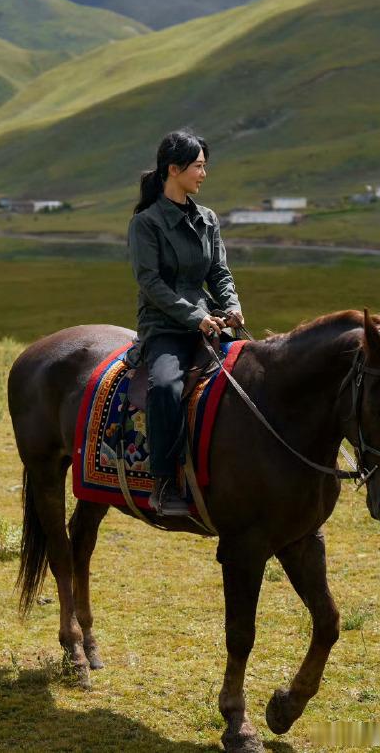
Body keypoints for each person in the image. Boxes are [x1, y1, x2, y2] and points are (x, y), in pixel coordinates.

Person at [127, 130, 244, 516]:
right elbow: (151, 284)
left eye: (204, 166)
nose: (203, 174)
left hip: (211, 322)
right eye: (197, 166)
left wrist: (232, 306)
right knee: (165, 386)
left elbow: (220, 272)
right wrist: (196, 318)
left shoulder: (208, 219)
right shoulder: (146, 223)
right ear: (173, 170)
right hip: (165, 327)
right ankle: (164, 482)